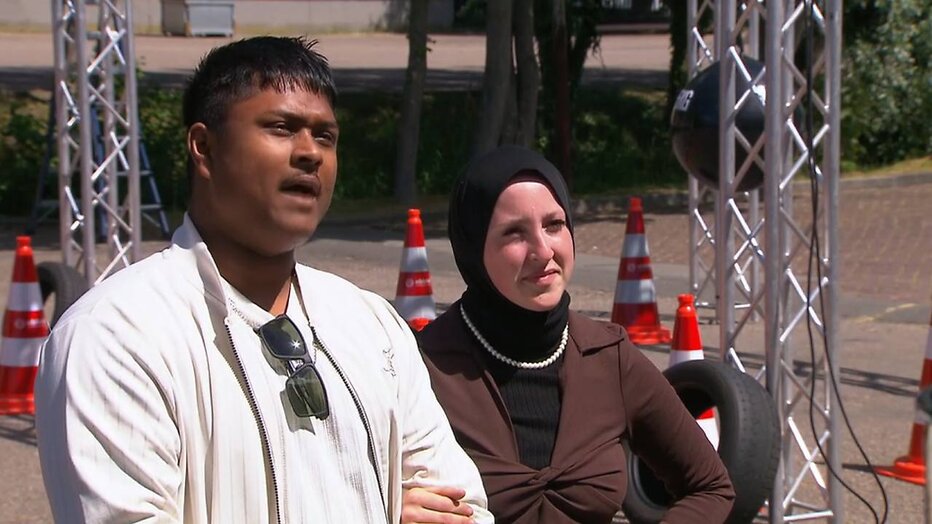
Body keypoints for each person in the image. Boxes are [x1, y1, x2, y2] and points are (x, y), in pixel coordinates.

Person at [34, 36, 491, 524]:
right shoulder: (116, 336)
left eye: (325, 136)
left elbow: (465, 509)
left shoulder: (372, 325)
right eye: (281, 128)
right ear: (204, 148)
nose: (310, 153)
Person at [417, 145, 735, 523]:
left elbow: (710, 485)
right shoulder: (420, 365)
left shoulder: (608, 355)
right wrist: (388, 508)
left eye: (554, 225)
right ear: (472, 248)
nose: (543, 250)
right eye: (515, 233)